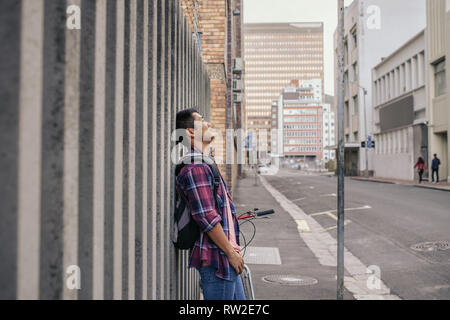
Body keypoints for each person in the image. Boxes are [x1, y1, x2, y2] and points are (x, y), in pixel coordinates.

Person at [175, 108, 246, 300]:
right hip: (219, 260)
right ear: (190, 131)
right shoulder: (196, 168)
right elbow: (206, 217)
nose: (209, 124)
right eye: (202, 119)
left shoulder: (205, 163)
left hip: (226, 257)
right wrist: (231, 253)